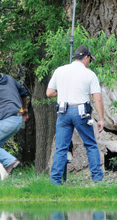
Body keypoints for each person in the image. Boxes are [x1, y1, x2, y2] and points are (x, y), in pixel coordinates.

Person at [46, 45, 104, 185]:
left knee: (61, 148)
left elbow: (49, 93)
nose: (89, 62)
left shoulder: (60, 70)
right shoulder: (89, 74)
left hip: (63, 112)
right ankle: (97, 178)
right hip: (81, 113)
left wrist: (64, 91)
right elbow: (98, 98)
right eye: (89, 59)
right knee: (90, 144)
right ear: (86, 57)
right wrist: (101, 119)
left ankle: (55, 181)